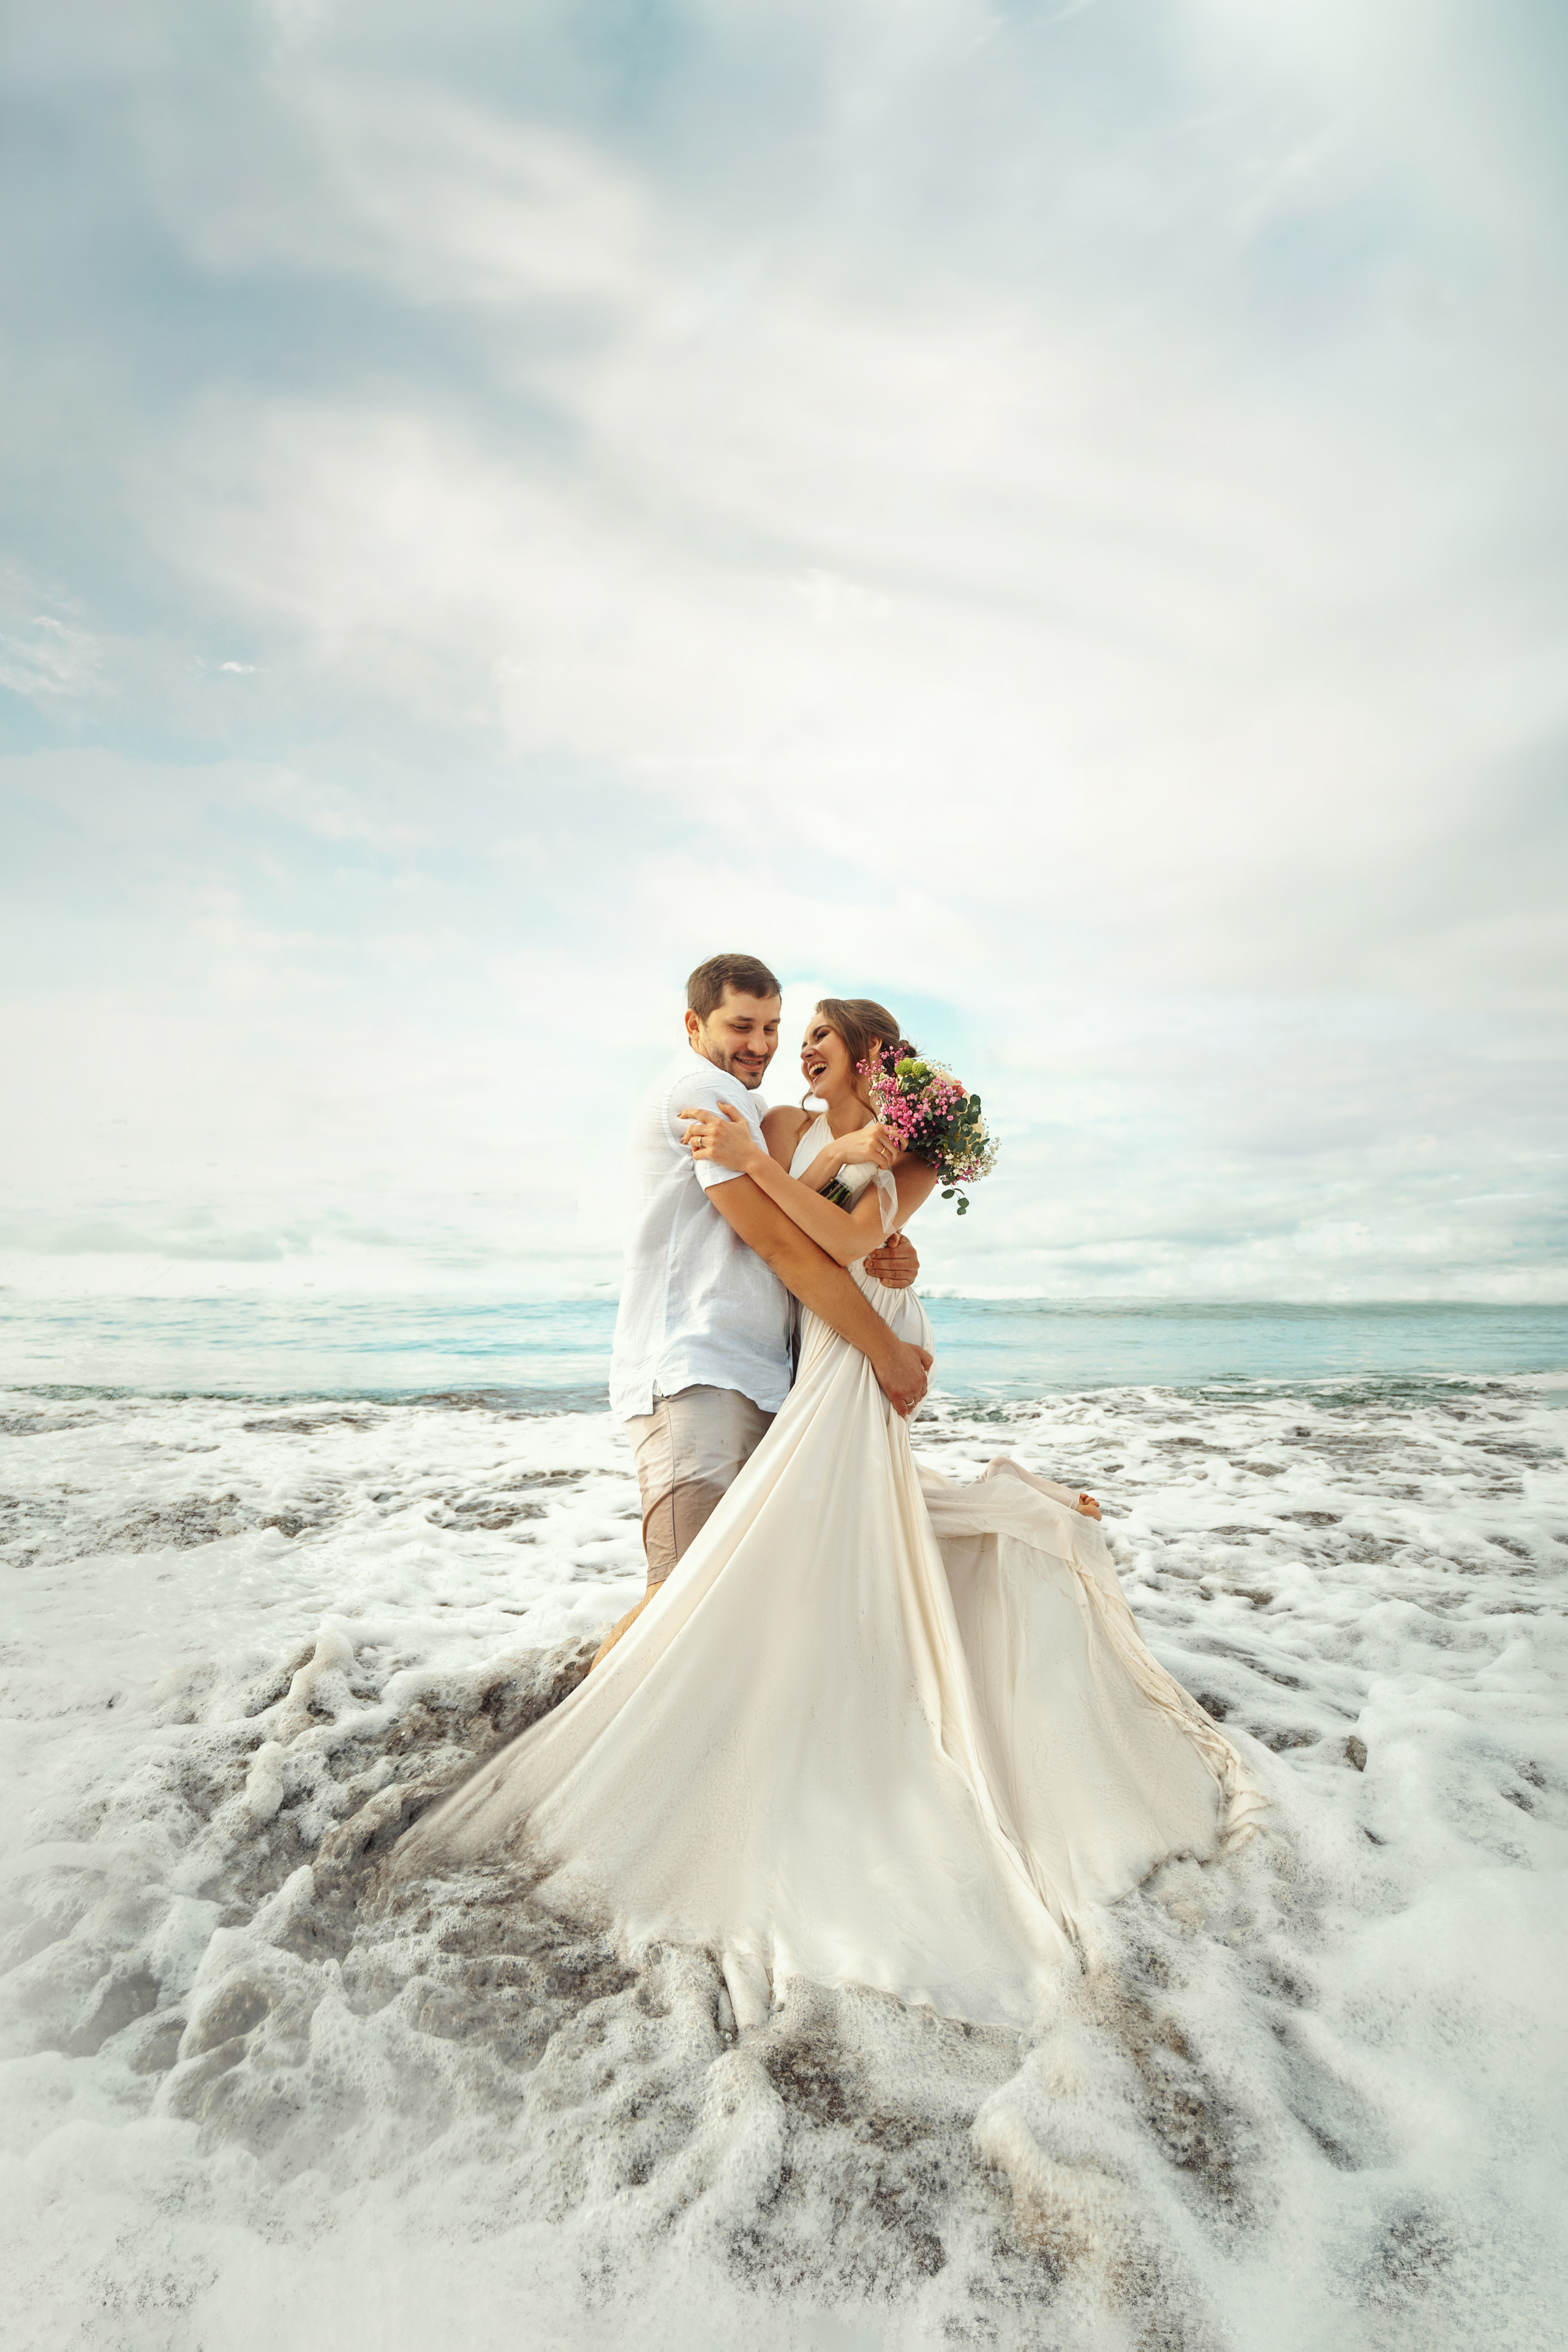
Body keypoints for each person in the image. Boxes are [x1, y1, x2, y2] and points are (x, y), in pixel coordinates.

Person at [398, 992, 1267, 2032]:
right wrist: (796, 1171)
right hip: (820, 1341)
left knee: (842, 1515)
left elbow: (857, 1230)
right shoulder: (783, 1125)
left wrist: (853, 1216)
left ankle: (916, 1611)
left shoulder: (913, 1142)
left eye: (817, 1037)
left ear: (868, 1053)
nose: (796, 1051)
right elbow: (781, 1241)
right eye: (788, 1036)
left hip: (866, 1338)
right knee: (838, 1520)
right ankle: (1011, 1513)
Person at [596, 952, 932, 1669]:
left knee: (734, 1595)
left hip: (763, 1374)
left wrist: (897, 1257)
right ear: (694, 1024)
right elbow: (778, 1241)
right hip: (695, 1368)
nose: (765, 1044)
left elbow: (802, 1219)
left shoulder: (746, 1107)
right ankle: (577, 1743)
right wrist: (886, 1350)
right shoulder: (705, 1092)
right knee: (684, 1592)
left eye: (773, 1027)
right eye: (742, 1025)